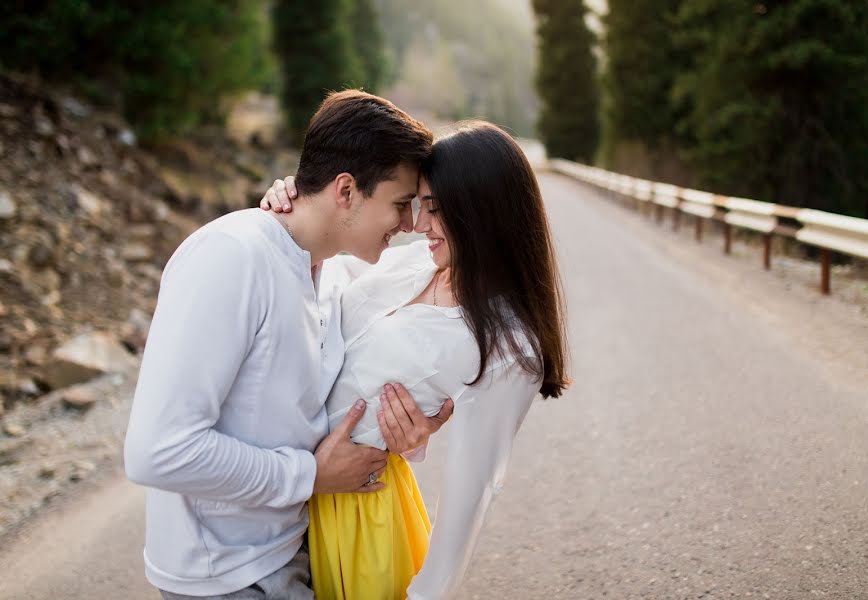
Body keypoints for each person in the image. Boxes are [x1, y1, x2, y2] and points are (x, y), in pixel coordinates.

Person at [123, 90, 452, 600]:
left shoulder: (335, 273)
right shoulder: (231, 258)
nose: (409, 224)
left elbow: (315, 406)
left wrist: (407, 428)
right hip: (226, 576)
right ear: (346, 190)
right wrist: (309, 475)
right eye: (401, 204)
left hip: (302, 550)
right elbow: (157, 451)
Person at [261, 121, 570, 599]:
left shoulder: (510, 350)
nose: (419, 224)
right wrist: (299, 205)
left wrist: (426, 595)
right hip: (291, 492)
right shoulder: (418, 261)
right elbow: (322, 275)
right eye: (420, 205)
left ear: (483, 214)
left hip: (359, 517)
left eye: (437, 209)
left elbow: (473, 495)